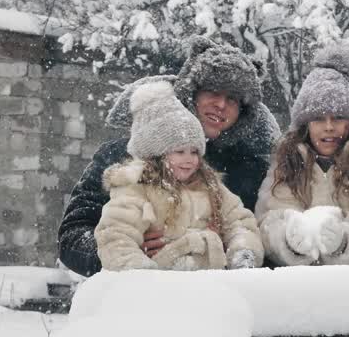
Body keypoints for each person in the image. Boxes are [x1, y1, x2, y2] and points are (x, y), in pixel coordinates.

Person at [59, 37, 280, 276]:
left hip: (217, 300)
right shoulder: (121, 156)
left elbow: (264, 245)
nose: (221, 104)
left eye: (233, 99)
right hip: (137, 300)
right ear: (191, 92)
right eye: (213, 91)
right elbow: (73, 236)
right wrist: (126, 256)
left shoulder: (252, 171)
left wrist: (224, 251)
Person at [94, 81, 263, 271]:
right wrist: (139, 271)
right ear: (158, 153)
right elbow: (117, 233)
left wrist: (243, 251)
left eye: (194, 152)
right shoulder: (138, 187)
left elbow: (238, 220)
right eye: (179, 151)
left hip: (212, 284)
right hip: (163, 286)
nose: (189, 159)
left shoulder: (209, 185)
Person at [256, 46, 349, 266]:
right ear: (306, 125)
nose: (329, 127)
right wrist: (288, 240)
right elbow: (269, 220)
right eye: (318, 118)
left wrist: (345, 241)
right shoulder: (287, 161)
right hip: (299, 284)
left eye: (338, 117)